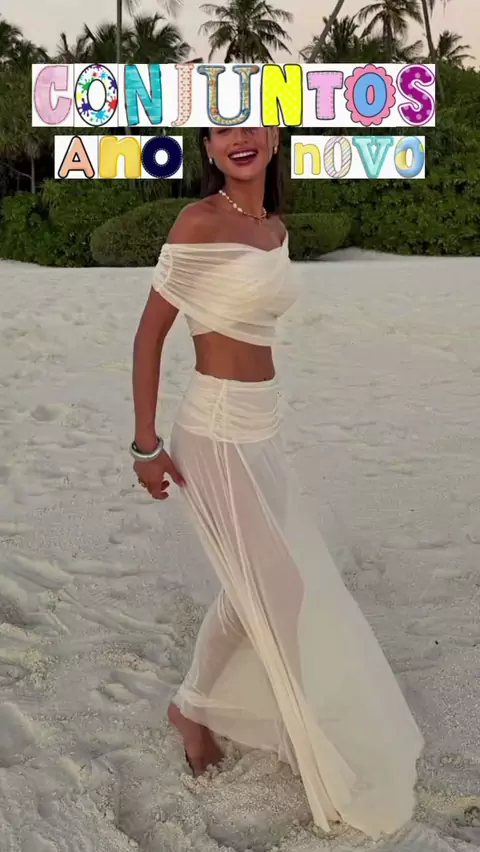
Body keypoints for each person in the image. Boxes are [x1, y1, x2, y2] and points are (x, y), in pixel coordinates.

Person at [131, 127, 424, 839]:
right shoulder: (198, 222)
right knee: (280, 586)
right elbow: (150, 335)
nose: (240, 138)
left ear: (273, 136)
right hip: (215, 429)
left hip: (263, 427)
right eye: (222, 128)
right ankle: (205, 709)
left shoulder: (273, 227)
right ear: (207, 148)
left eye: (251, 123)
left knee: (256, 584)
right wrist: (145, 445)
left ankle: (195, 706)